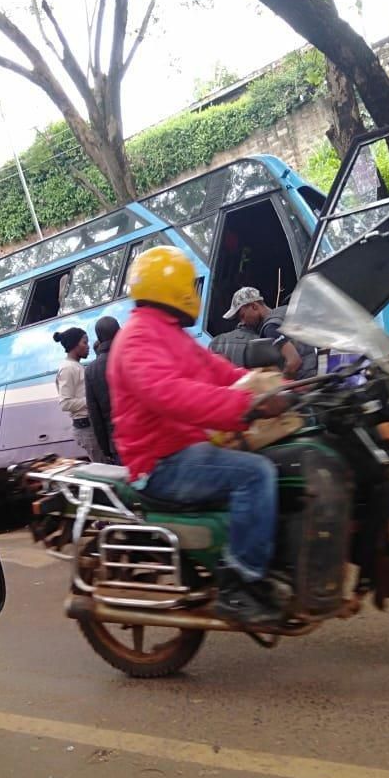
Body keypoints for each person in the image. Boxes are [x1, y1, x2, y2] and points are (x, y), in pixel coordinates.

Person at [108, 246, 290, 626]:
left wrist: (290, 390)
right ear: (173, 286)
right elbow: (169, 393)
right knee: (256, 474)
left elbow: (221, 372)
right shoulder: (138, 339)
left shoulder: (170, 333)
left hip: (187, 448)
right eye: (189, 283)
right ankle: (239, 583)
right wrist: (245, 406)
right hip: (161, 461)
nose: (194, 291)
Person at [214, 286, 316, 380]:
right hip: (318, 371)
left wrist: (280, 383)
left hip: (306, 382)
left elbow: (293, 362)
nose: (242, 322)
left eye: (242, 316)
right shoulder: (285, 311)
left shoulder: (270, 328)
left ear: (254, 306)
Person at [53, 326, 106, 464]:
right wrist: (92, 401)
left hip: (93, 425)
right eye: (85, 342)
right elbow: (65, 403)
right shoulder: (68, 368)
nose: (88, 346)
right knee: (105, 468)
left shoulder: (76, 366)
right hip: (86, 429)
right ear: (74, 345)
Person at [84, 316, 121, 464]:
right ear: (119, 332)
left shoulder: (91, 370)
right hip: (147, 438)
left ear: (99, 339)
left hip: (117, 443)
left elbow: (95, 415)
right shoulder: (133, 354)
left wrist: (106, 449)